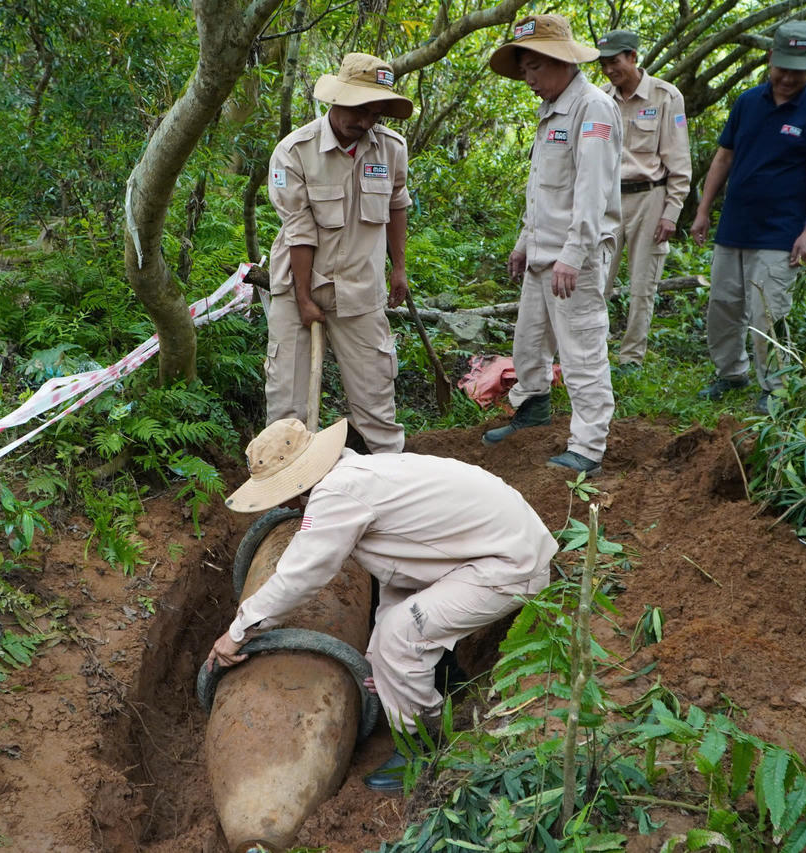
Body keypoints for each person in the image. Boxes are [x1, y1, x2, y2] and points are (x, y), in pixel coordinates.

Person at [207, 418, 556, 793]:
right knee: (391, 640)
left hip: (508, 565)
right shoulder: (362, 473)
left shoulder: (337, 494)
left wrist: (238, 632)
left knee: (400, 637)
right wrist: (377, 658)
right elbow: (401, 574)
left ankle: (421, 749)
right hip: (504, 548)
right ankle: (446, 677)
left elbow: (299, 576)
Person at [481, 15, 622, 476]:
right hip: (543, 253)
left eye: (535, 67)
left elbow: (592, 191)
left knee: (581, 351)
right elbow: (543, 189)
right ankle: (533, 410)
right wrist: (524, 241)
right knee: (529, 342)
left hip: (573, 258)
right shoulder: (552, 109)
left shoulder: (593, 108)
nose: (529, 79)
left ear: (562, 61)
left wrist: (574, 255)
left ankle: (588, 447)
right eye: (524, 70)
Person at [690, 21, 806, 414]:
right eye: (783, 68)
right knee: (723, 304)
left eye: (798, 71)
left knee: (767, 313)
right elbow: (724, 157)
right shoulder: (747, 102)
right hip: (734, 226)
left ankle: (775, 387)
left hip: (781, 232)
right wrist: (704, 211)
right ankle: (730, 373)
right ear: (771, 58)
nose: (788, 78)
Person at [265, 53, 413, 453]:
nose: (364, 122)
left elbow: (397, 205)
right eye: (358, 109)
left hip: (361, 290)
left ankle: (387, 476)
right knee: (288, 407)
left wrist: (398, 268)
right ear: (337, 99)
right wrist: (303, 297)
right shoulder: (295, 152)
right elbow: (299, 230)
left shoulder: (391, 149)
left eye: (374, 114)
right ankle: (287, 484)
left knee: (376, 402)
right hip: (298, 288)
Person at [596, 30, 692, 371]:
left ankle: (631, 358)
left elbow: (679, 160)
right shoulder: (599, 98)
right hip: (607, 199)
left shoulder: (665, 97)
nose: (609, 70)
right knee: (596, 279)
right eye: (604, 64)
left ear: (633, 57)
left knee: (643, 283)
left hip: (650, 198)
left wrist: (672, 211)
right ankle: (592, 351)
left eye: (615, 62)